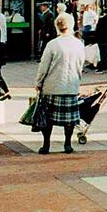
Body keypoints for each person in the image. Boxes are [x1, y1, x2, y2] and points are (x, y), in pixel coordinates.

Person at [34, 12, 86, 154]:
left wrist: (38, 82)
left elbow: (43, 66)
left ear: (57, 26)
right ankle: (67, 144)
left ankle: (46, 145)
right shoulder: (78, 44)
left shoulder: (52, 44)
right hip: (71, 86)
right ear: (72, 25)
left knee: (48, 118)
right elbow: (81, 64)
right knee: (69, 119)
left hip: (52, 86)